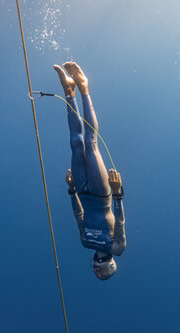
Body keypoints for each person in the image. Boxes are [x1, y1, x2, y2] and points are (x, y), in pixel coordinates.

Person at [54, 62, 126, 280]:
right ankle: (84, 87)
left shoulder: (85, 242)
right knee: (90, 142)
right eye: (100, 273)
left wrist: (71, 190)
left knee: (75, 143)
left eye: (95, 273)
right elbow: (120, 222)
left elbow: (79, 215)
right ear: (109, 268)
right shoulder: (117, 249)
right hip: (102, 193)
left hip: (83, 192)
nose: (96, 270)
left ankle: (69, 91)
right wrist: (117, 193)